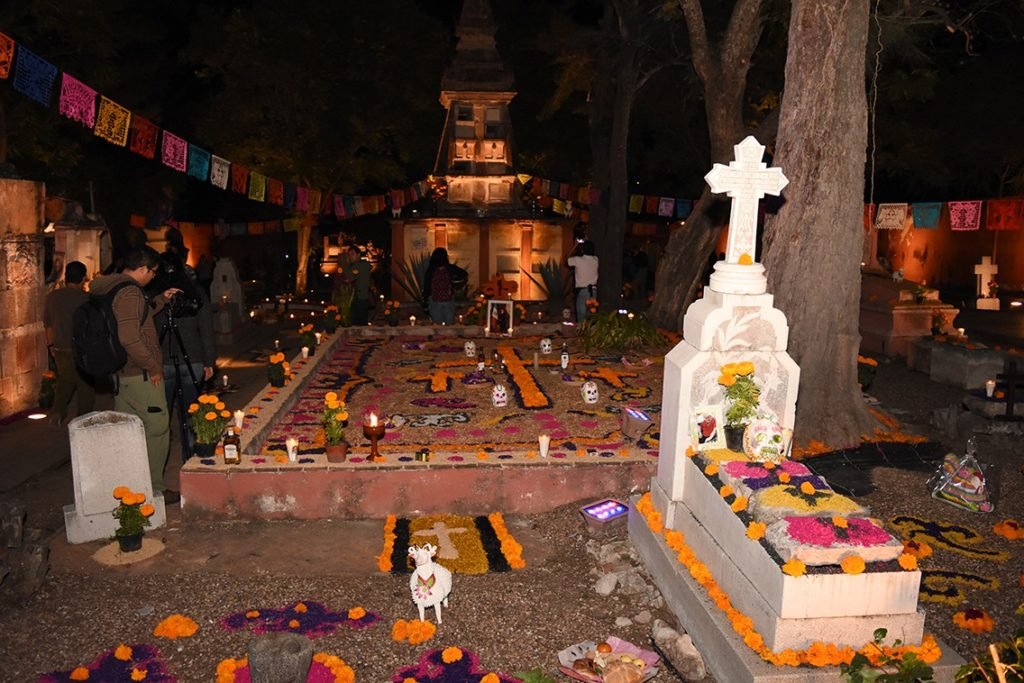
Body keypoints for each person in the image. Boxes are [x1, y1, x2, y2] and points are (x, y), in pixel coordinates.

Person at [89, 247, 181, 504]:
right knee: (158, 430)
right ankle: (153, 490)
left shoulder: (108, 288)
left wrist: (160, 299)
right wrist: (152, 366)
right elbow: (129, 336)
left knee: (129, 433)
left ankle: (130, 488)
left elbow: (132, 319)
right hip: (139, 374)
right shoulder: (129, 292)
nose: (153, 277)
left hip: (120, 374)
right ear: (142, 268)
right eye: (152, 272)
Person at [152, 240, 216, 463]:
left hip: (163, 364)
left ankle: (161, 462)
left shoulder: (154, 297)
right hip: (193, 360)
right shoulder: (194, 292)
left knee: (162, 416)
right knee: (190, 414)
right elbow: (206, 330)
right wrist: (209, 361)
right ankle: (190, 459)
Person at [43, 261, 96, 426]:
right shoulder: (87, 299)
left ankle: (57, 414)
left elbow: (48, 324)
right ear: (83, 278)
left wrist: (50, 346)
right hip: (81, 349)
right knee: (85, 386)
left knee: (64, 382)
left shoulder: (52, 297)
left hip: (59, 347)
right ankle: (82, 421)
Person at [423, 247, 467, 326]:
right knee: (448, 325)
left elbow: (426, 287)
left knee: (438, 325)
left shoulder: (431, 270)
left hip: (437, 300)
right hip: (445, 300)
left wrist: (425, 301)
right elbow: (464, 274)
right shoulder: (449, 268)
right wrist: (455, 285)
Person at [567, 240, 599, 324]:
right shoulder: (596, 260)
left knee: (581, 317)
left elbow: (566, 260)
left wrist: (575, 246)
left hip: (582, 291)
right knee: (592, 315)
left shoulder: (578, 260)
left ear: (583, 250)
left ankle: (581, 334)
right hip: (594, 291)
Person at [342, 246, 373, 325]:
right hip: (357, 297)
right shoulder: (358, 265)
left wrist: (345, 264)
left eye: (352, 254)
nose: (350, 257)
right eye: (349, 255)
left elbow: (349, 277)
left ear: (358, 254)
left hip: (360, 297)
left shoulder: (361, 266)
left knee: (359, 322)